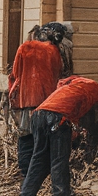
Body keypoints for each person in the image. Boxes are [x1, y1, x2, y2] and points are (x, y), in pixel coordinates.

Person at [18, 76, 98, 196]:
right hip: (57, 118)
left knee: (39, 159)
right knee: (59, 159)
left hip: (38, 115)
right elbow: (95, 122)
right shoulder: (95, 91)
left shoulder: (68, 86)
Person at [7, 26, 63, 178]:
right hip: (48, 100)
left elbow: (16, 72)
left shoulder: (25, 47)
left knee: (26, 136)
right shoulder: (54, 51)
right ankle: (42, 174)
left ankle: (26, 172)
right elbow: (58, 73)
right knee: (43, 138)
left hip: (27, 98)